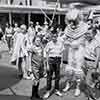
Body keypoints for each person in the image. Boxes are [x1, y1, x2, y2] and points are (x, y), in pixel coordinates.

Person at [62, 8, 88, 96]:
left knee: (78, 70)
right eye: (71, 21)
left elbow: (87, 38)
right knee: (69, 69)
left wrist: (80, 42)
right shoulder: (68, 27)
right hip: (71, 51)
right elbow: (63, 38)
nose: (72, 23)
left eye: (74, 20)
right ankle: (68, 83)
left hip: (80, 51)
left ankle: (78, 87)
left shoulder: (84, 26)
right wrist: (66, 41)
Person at [43, 31, 64, 99]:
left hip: (58, 60)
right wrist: (47, 64)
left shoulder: (60, 43)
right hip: (51, 61)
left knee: (57, 76)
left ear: (57, 36)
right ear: (51, 37)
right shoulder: (49, 44)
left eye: (55, 36)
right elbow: (46, 54)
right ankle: (48, 91)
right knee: (49, 77)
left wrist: (61, 63)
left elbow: (62, 53)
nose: (54, 38)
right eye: (53, 37)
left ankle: (56, 90)